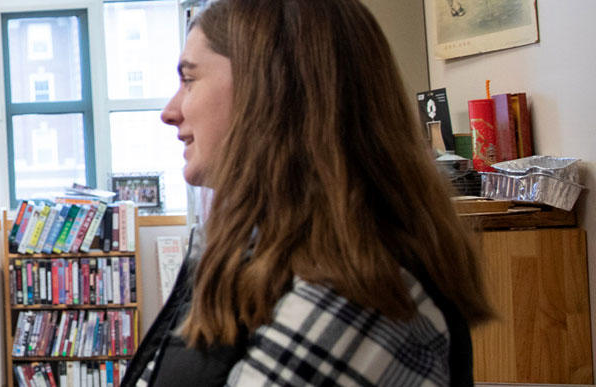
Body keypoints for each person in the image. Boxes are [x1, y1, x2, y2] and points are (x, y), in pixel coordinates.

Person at [120, 0, 492, 386]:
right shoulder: (262, 253)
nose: (170, 110)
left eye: (189, 79)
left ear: (268, 90)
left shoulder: (354, 294)